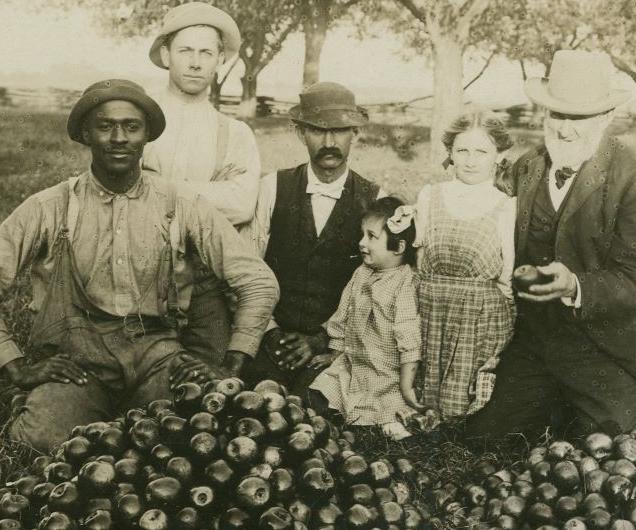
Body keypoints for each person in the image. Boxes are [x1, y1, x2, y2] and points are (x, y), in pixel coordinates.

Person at [0, 80, 277, 452]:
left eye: (131, 127)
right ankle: (47, 403)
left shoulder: (181, 203)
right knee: (42, 440)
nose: (119, 138)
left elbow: (258, 282)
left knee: (187, 440)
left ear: (147, 135)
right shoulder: (49, 206)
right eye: (105, 126)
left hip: (158, 359)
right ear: (85, 134)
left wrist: (231, 366)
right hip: (76, 363)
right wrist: (16, 366)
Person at [466, 50, 636, 440]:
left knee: (607, 448)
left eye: (578, 118)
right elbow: (485, 220)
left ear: (606, 117)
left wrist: (576, 286)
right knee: (485, 440)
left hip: (605, 348)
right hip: (537, 341)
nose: (564, 130)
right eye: (556, 115)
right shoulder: (528, 167)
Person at [142, 2, 262, 363]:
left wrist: (161, 187)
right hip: (138, 274)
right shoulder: (136, 123)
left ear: (219, 59)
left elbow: (241, 203)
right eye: (185, 51)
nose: (196, 62)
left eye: (206, 52)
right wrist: (210, 191)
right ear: (166, 54)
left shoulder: (234, 133)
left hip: (205, 281)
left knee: (209, 378)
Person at [249, 82, 382, 396]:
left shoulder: (374, 201)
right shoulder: (272, 188)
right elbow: (249, 271)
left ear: (356, 134)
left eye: (339, 131)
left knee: (312, 411)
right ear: (300, 134)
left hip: (333, 346)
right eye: (318, 132)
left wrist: (323, 338)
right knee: (255, 405)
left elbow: (373, 291)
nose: (329, 142)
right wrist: (269, 332)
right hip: (271, 338)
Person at [414, 112, 516, 418]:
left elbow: (506, 271)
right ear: (450, 154)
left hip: (478, 316)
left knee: (470, 407)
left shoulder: (505, 204)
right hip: (430, 307)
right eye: (463, 151)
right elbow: (419, 260)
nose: (471, 161)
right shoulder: (430, 195)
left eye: (481, 152)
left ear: (499, 156)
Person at [308, 197, 422, 440]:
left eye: (371, 237)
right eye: (362, 235)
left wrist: (406, 383)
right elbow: (343, 316)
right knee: (318, 394)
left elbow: (408, 335)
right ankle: (337, 417)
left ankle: (384, 422)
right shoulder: (361, 273)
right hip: (352, 364)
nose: (361, 243)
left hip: (385, 373)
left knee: (388, 415)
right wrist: (335, 352)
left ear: (399, 247)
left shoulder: (404, 283)